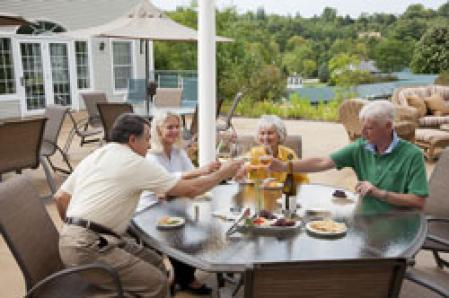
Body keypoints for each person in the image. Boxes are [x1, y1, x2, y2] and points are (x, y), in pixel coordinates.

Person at [55, 113, 242, 298]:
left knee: (158, 265)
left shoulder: (97, 154)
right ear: (132, 140)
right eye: (147, 139)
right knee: (155, 283)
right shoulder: (133, 162)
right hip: (89, 246)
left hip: (93, 240)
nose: (149, 145)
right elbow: (190, 189)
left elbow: (61, 197)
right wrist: (222, 174)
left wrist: (74, 229)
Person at [269, 100, 428, 213]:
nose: (363, 133)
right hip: (365, 220)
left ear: (388, 127)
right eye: (362, 128)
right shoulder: (361, 147)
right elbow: (322, 162)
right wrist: (284, 166)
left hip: (398, 223)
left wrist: (380, 193)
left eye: (369, 129)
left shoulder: (412, 155)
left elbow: (418, 201)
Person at [146, 111, 219, 295]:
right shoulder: (152, 156)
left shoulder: (178, 152)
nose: (175, 131)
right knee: (184, 234)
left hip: (173, 204)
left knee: (206, 227)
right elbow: (166, 182)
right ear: (158, 130)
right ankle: (186, 279)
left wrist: (209, 171)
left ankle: (184, 276)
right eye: (169, 127)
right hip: (151, 209)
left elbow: (192, 175)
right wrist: (201, 172)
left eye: (177, 126)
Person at [245, 115, 309, 185]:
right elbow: (241, 176)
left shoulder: (289, 154)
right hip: (259, 194)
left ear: (279, 135)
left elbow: (303, 180)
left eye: (270, 133)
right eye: (262, 133)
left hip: (283, 193)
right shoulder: (253, 154)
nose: (265, 137)